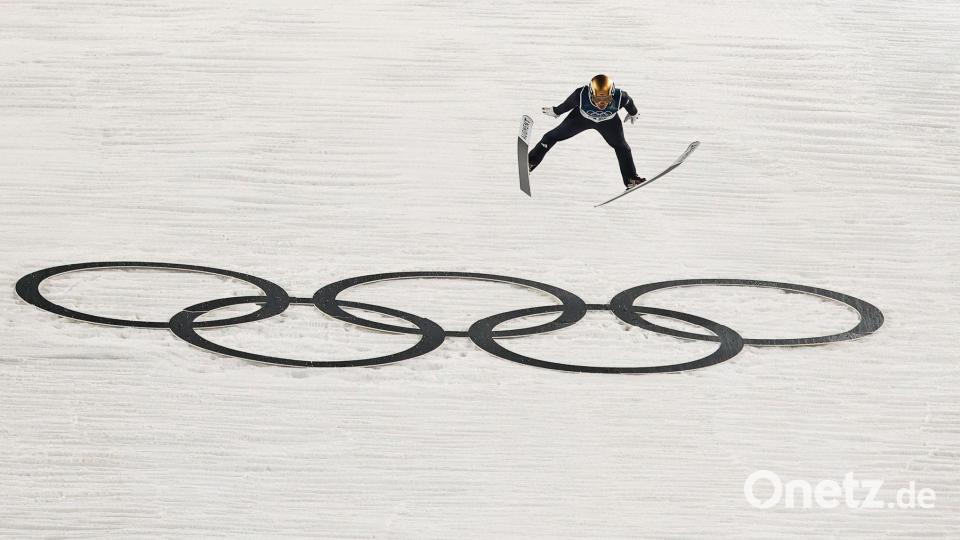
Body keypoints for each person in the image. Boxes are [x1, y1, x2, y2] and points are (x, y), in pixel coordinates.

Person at [528, 74, 645, 188]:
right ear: (591, 94)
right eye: (598, 98)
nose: (602, 103)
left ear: (612, 95)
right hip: (581, 119)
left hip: (609, 123)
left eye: (606, 98)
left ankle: (631, 179)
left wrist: (633, 112)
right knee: (550, 137)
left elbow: (630, 103)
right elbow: (567, 105)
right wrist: (556, 111)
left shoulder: (621, 96)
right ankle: (530, 162)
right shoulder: (580, 94)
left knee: (623, 148)